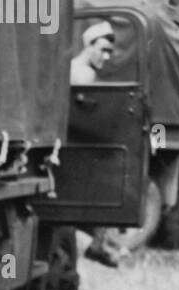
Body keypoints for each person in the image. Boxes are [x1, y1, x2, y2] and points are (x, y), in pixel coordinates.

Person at [71, 22, 126, 268]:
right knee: (111, 179)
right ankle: (100, 245)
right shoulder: (83, 73)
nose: (105, 56)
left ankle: (105, 242)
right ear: (89, 46)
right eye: (101, 49)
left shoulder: (77, 68)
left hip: (73, 144)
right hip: (75, 147)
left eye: (109, 52)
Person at [70, 20, 115, 86]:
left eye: (109, 52)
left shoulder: (72, 65)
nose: (106, 57)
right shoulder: (86, 73)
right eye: (103, 50)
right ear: (89, 47)